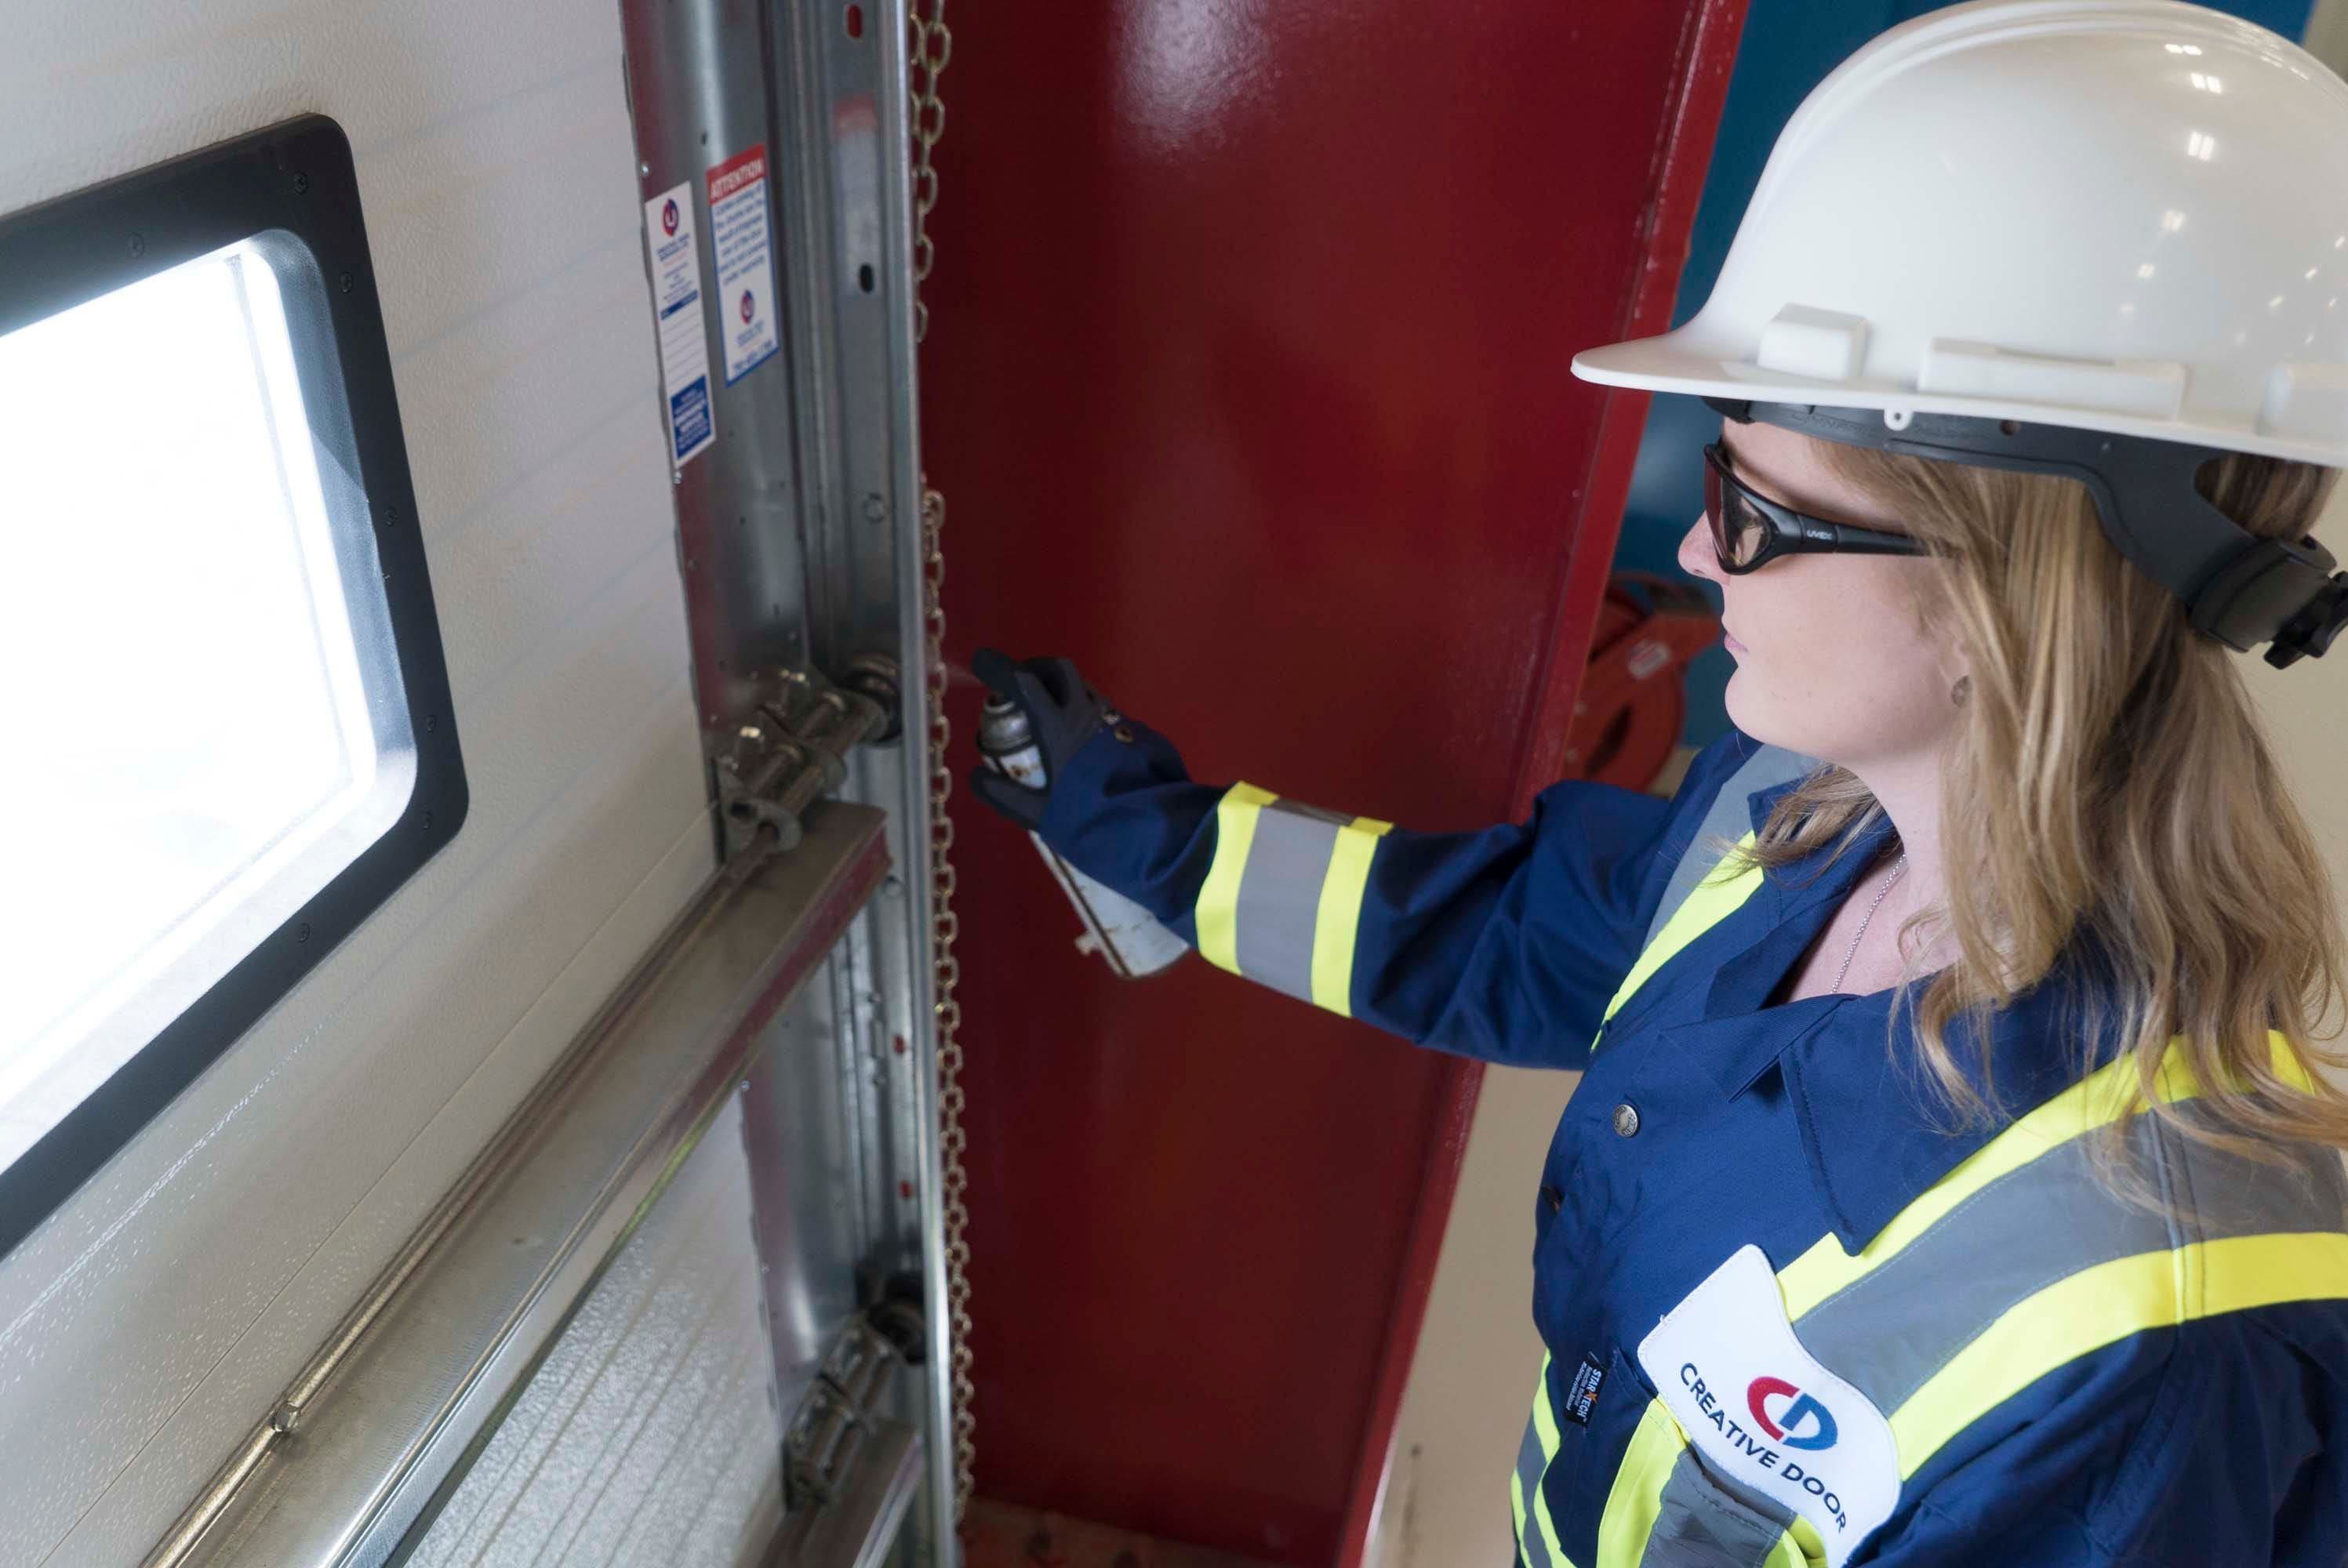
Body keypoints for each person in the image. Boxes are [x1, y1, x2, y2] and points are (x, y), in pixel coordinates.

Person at [965, 2, 2348, 1563]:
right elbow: (1512, 935)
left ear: (2000, 591)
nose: (1694, 551)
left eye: (1749, 504)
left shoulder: (2153, 1337)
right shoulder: (1790, 812)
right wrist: (1137, 830)